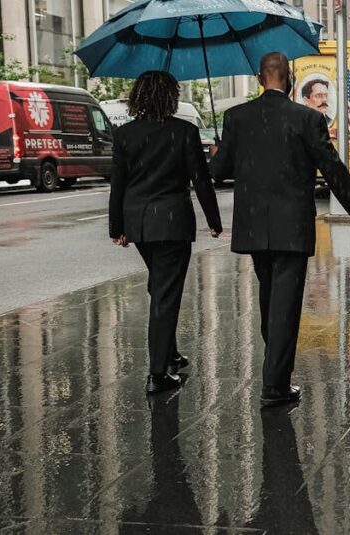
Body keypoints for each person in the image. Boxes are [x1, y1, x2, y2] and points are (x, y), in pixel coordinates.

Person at [210, 52, 350, 407]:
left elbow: (217, 171)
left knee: (271, 295)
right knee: (284, 301)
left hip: (253, 226)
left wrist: (221, 150)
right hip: (291, 226)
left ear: (259, 79)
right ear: (291, 80)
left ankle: (274, 363)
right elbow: (332, 168)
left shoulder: (237, 117)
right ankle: (274, 385)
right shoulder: (307, 119)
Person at [108, 70, 223, 395]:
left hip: (140, 225)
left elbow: (118, 184)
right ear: (170, 98)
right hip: (172, 224)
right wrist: (214, 221)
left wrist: (117, 227)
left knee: (160, 285)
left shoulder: (125, 134)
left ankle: (169, 352)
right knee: (165, 295)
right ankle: (158, 374)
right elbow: (200, 180)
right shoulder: (184, 132)